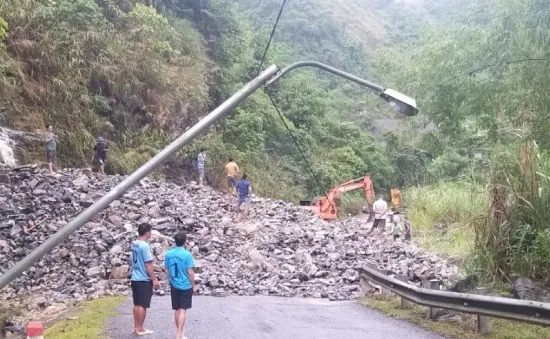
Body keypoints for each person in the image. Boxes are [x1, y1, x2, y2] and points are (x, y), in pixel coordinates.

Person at [164, 232, 197, 339]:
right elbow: (190, 272)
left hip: (174, 284)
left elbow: (166, 269)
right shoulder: (187, 255)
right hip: (185, 285)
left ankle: (180, 333)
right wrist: (193, 285)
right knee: (183, 309)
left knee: (177, 309)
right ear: (185, 241)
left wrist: (170, 279)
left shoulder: (168, 254)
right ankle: (179, 335)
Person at [131, 224, 159, 336]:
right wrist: (154, 279)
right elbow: (148, 264)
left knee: (137, 304)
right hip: (143, 278)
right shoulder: (144, 246)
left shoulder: (134, 244)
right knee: (143, 304)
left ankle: (136, 326)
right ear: (147, 232)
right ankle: (140, 328)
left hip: (135, 277)